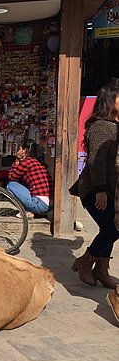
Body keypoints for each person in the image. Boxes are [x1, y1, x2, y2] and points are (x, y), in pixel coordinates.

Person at [72, 82, 119, 287]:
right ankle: (86, 261)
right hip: (95, 188)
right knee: (112, 229)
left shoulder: (115, 125)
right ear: (110, 101)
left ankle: (102, 269)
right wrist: (100, 190)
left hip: (111, 189)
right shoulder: (101, 126)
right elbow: (96, 161)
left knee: (111, 227)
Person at [6, 139, 53, 218]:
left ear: (24, 151)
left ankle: (27, 212)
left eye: (20, 149)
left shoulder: (27, 162)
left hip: (40, 204)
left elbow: (11, 177)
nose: (19, 151)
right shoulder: (38, 163)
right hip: (49, 204)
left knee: (10, 185)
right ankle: (36, 211)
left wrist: (17, 160)